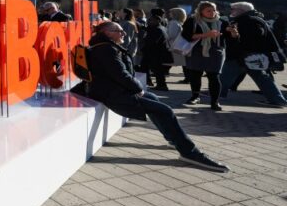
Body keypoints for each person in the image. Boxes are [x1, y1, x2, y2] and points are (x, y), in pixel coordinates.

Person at [76, 21, 228, 172]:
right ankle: (190, 153)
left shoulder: (104, 47)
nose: (123, 33)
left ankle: (174, 139)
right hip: (113, 95)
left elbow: (118, 74)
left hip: (113, 90)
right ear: (106, 33)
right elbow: (120, 74)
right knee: (165, 110)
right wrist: (138, 89)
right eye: (118, 30)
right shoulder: (106, 49)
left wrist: (136, 88)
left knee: (154, 99)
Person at [220, 2, 287, 108]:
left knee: (228, 73)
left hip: (245, 55)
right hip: (250, 56)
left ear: (241, 10)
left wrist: (235, 36)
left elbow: (252, 39)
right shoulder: (254, 19)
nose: (231, 11)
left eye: (233, 9)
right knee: (262, 78)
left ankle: (217, 92)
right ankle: (277, 100)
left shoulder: (248, 21)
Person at [181, 1, 235, 111]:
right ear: (201, 11)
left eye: (214, 10)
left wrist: (234, 33)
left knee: (214, 76)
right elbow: (186, 36)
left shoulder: (222, 22)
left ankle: (215, 101)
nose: (212, 13)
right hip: (197, 51)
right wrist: (206, 35)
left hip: (215, 52)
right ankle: (195, 96)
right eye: (208, 11)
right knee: (195, 74)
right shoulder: (193, 20)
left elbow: (231, 38)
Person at [140, 13, 173, 91]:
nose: (148, 21)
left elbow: (152, 41)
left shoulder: (157, 29)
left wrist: (143, 48)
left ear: (157, 21)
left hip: (155, 53)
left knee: (157, 70)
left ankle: (161, 85)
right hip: (154, 53)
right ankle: (156, 84)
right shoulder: (160, 28)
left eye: (151, 20)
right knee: (150, 69)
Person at [166, 7, 190, 84]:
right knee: (183, 63)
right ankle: (187, 78)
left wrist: (165, 37)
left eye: (171, 13)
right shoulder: (180, 23)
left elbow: (171, 35)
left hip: (173, 45)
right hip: (179, 45)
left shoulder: (173, 23)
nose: (169, 14)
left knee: (169, 61)